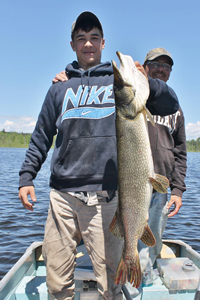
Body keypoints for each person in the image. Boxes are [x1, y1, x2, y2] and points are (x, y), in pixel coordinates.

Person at [18, 11, 179, 300]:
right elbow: (41, 136)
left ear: (103, 42)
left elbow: (169, 104)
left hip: (107, 198)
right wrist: (26, 177)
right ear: (73, 45)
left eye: (94, 38)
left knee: (110, 285)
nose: (88, 44)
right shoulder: (59, 87)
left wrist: (147, 81)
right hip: (63, 197)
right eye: (81, 39)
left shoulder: (116, 83)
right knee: (56, 283)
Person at [138, 47, 187, 286]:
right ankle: (128, 286)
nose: (161, 69)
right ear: (145, 68)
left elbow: (180, 153)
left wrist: (177, 191)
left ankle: (144, 281)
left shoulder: (175, 110)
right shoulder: (134, 99)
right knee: (129, 239)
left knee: (153, 241)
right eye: (155, 64)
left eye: (166, 67)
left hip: (160, 190)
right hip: (131, 186)